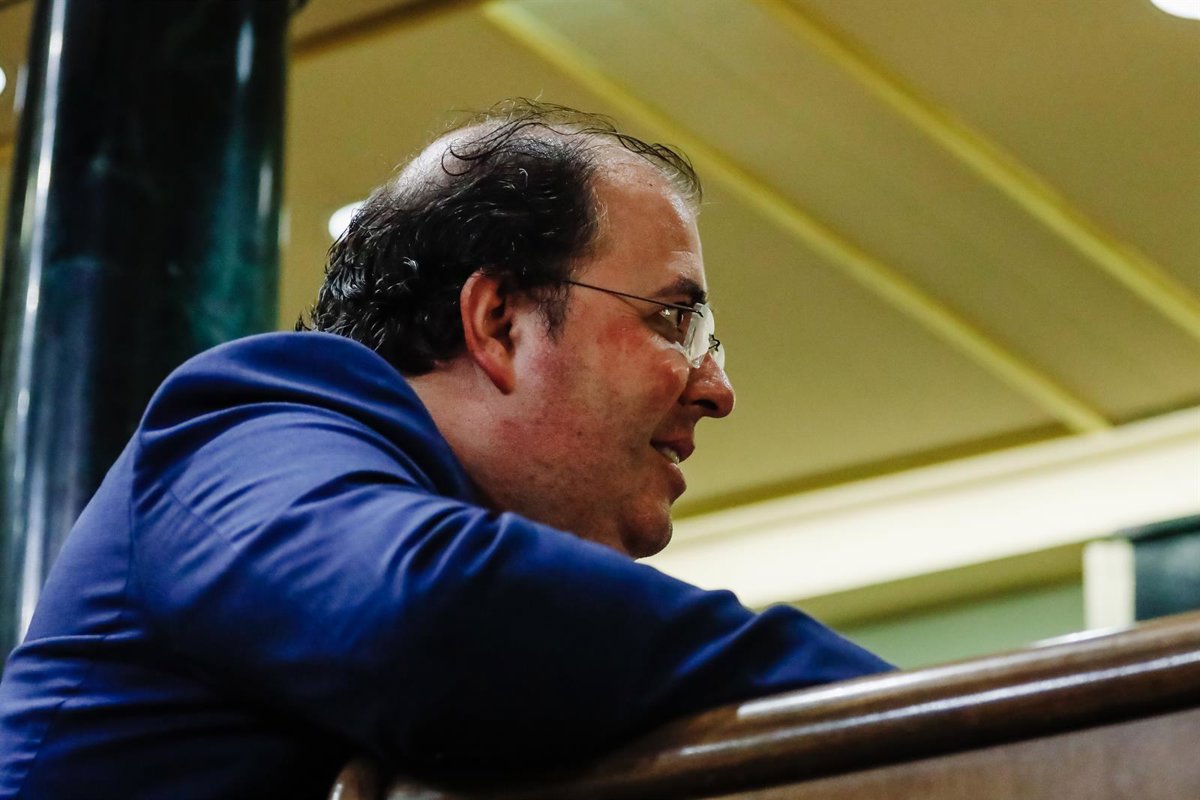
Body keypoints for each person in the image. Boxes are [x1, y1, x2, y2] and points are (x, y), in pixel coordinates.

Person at [0, 100, 891, 799]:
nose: (716, 389)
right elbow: (425, 617)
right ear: (498, 322)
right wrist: (896, 707)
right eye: (674, 321)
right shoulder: (244, 427)